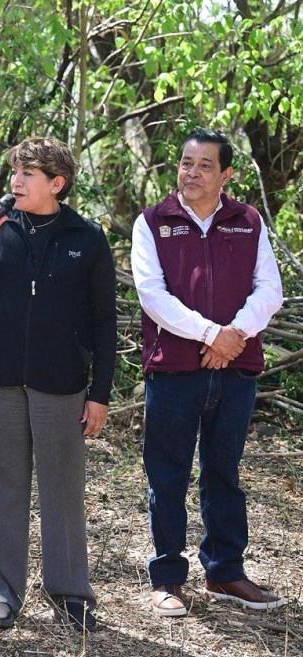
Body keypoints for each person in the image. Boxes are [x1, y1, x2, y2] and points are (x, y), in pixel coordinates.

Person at [0, 137, 116, 633]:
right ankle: (2, 595)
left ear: (56, 184)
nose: (16, 182)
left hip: (61, 385)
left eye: (27, 174)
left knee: (63, 489)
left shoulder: (86, 237)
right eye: (14, 173)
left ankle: (69, 593)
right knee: (1, 486)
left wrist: (100, 393)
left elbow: (105, 322)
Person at [131, 129, 285, 616]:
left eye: (203, 165)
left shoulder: (248, 220)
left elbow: (270, 290)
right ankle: (167, 580)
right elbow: (151, 295)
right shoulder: (153, 222)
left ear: (226, 174)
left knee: (224, 473)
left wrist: (232, 335)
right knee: (168, 475)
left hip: (235, 370)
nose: (191, 172)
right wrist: (208, 334)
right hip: (174, 370)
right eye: (185, 163)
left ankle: (225, 573)